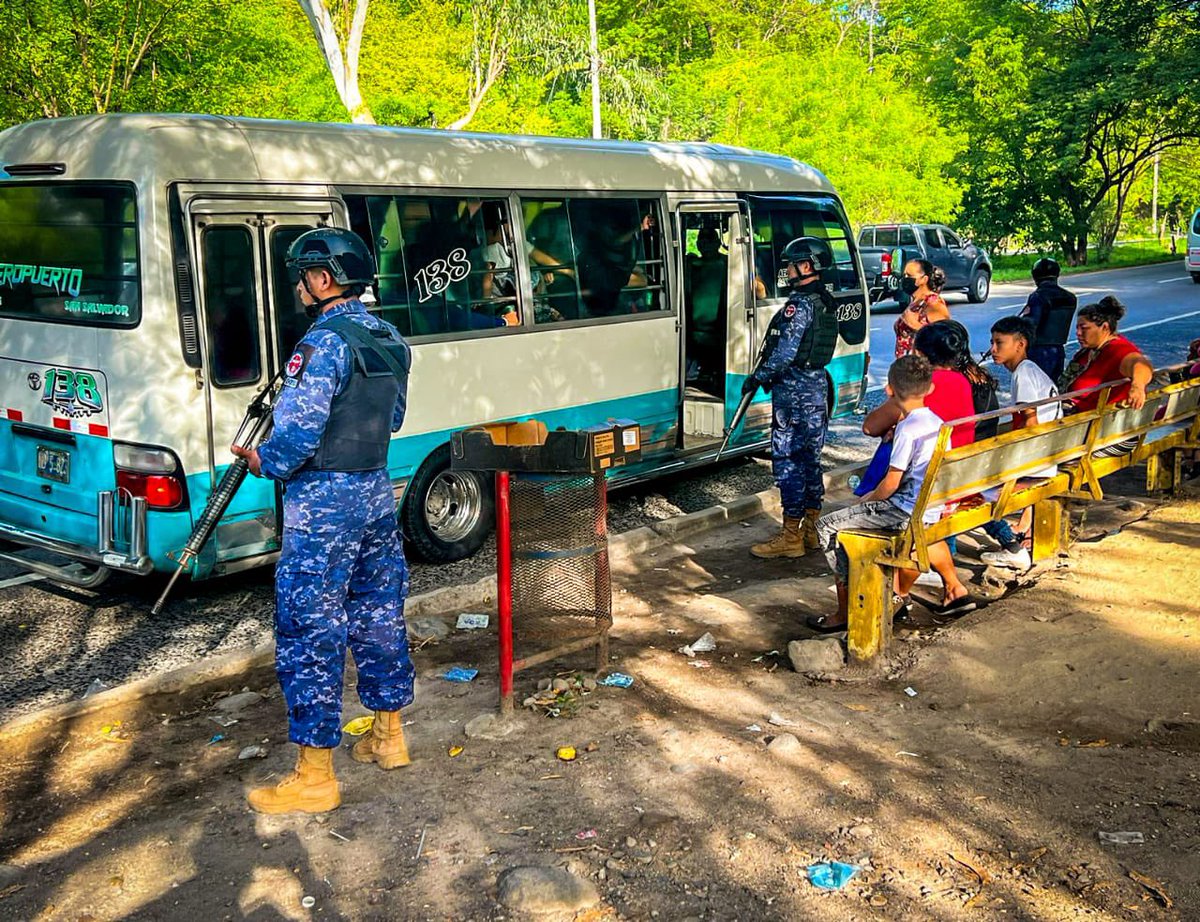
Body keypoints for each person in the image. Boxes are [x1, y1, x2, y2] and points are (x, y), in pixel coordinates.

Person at [232, 227, 416, 815]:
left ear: (323, 278)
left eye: (303, 276)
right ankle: (389, 738)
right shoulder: (389, 338)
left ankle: (314, 776)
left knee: (310, 629)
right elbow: (394, 419)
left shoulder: (321, 344)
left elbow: (296, 436)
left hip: (323, 504)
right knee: (379, 611)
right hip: (374, 490)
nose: (299, 287)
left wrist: (265, 459)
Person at [808, 354, 975, 633]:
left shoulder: (908, 428)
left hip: (902, 510)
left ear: (889, 390)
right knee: (847, 520)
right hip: (927, 508)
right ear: (930, 388)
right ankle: (868, 598)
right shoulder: (936, 422)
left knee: (827, 526)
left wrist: (866, 500)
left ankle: (848, 607)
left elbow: (891, 483)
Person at [745, 237, 840, 558]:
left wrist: (758, 377)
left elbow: (784, 354)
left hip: (794, 394)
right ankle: (811, 529)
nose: (786, 269)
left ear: (806, 266)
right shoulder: (824, 301)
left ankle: (790, 537)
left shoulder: (798, 306)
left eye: (791, 263)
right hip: (816, 390)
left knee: (787, 463)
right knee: (810, 462)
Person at [977, 316, 1064, 570]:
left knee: (975, 491)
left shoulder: (1023, 375)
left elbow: (1030, 423)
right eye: (992, 343)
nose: (993, 349)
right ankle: (1020, 531)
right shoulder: (1031, 370)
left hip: (1037, 464)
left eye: (999, 343)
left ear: (1020, 344)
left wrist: (1009, 465)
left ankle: (1010, 547)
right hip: (1049, 456)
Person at [1060, 296, 1153, 413]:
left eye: (1084, 328)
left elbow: (1141, 364)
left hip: (1082, 418)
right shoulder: (1091, 349)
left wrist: (1137, 386)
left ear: (1104, 327)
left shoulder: (1118, 349)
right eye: (1077, 328)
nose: (1078, 333)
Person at [1018, 258, 1077, 381]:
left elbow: (1030, 325)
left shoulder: (1038, 296)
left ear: (1035, 276)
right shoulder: (1070, 298)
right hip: (1059, 349)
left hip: (1038, 350)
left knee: (1036, 387)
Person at [893, 258, 950, 359]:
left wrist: (913, 324)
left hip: (923, 369)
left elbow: (943, 339)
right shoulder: (916, 302)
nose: (905, 279)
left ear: (924, 279)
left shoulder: (934, 303)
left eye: (909, 276)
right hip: (907, 368)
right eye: (904, 275)